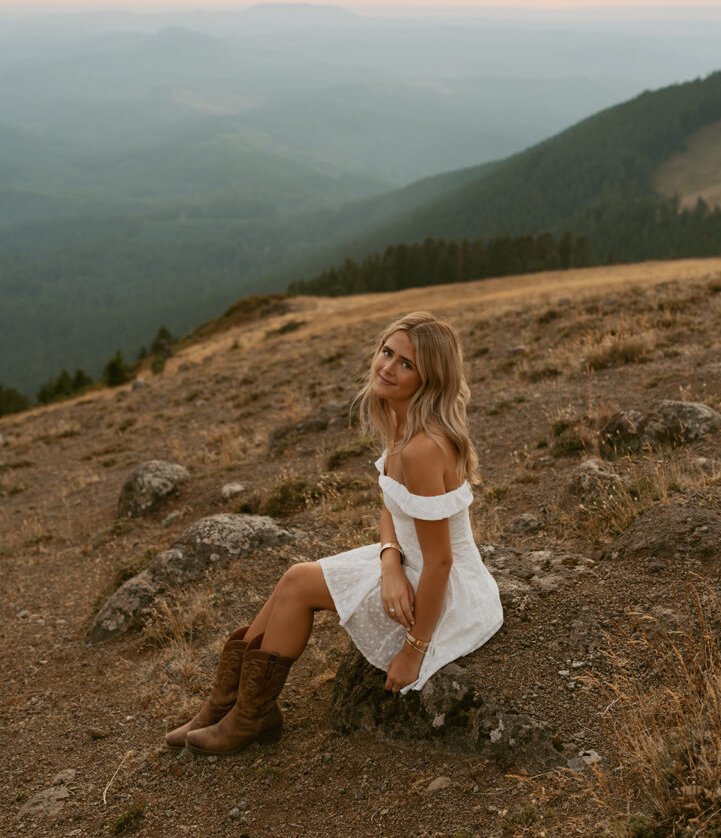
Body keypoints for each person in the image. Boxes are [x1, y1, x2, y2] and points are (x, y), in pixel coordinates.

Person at [165, 311, 503, 755]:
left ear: (429, 380)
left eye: (407, 364)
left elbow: (442, 561)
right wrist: (389, 562)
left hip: (444, 593)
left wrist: (414, 650)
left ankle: (248, 716)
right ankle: (225, 704)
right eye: (388, 353)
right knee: (293, 577)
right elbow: (390, 504)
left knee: (299, 585)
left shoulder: (423, 447)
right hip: (405, 563)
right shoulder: (402, 422)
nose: (388, 367)